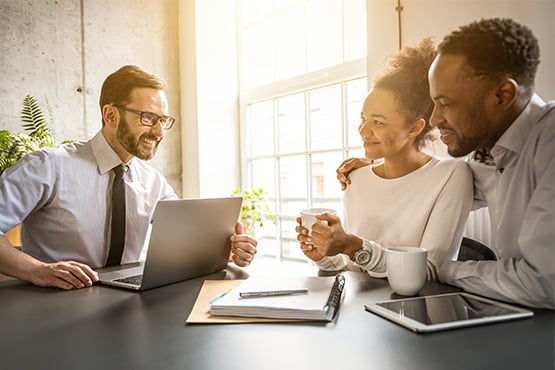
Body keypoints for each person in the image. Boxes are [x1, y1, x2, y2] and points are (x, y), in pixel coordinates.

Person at [337, 18, 554, 309]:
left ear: (503, 95)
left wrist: (438, 267)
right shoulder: (486, 158)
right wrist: (380, 167)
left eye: (447, 103)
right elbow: (427, 182)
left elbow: (542, 283)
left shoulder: (548, 142)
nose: (436, 119)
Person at [0, 65, 258, 290]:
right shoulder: (49, 166)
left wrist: (228, 249)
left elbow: (188, 243)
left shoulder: (154, 183)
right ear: (110, 115)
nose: (158, 131)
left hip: (126, 304)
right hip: (53, 305)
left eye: (163, 120)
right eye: (148, 118)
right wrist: (37, 271)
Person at [296, 39, 473, 282]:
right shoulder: (355, 177)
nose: (363, 131)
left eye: (378, 122)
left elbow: (430, 272)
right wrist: (323, 254)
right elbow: (352, 267)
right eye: (363, 119)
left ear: (414, 128)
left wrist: (354, 246)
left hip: (412, 312)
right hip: (357, 312)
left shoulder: (451, 175)